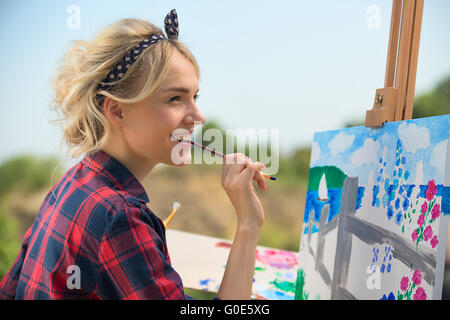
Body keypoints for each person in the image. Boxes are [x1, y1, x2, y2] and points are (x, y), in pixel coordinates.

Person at [0, 9, 267, 300]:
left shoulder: (72, 184)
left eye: (195, 97)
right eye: (175, 99)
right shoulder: (120, 217)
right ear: (117, 110)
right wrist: (248, 223)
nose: (197, 116)